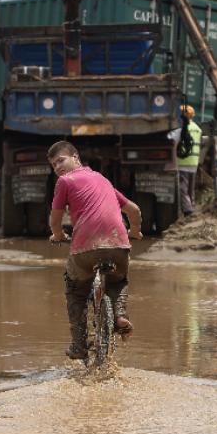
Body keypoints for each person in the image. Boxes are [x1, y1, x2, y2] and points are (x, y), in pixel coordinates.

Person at [47, 140, 143, 360]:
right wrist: (135, 231)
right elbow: (134, 210)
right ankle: (119, 316)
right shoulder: (102, 179)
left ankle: (79, 345)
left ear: (76, 158)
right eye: (54, 165)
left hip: (85, 250)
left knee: (75, 290)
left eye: (61, 160)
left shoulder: (65, 182)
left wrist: (59, 235)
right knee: (118, 281)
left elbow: (55, 219)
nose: (58, 168)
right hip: (119, 245)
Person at [177, 104, 202, 217]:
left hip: (183, 162)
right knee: (191, 188)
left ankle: (188, 210)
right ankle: (192, 205)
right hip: (194, 162)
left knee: (183, 188)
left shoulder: (182, 128)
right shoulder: (197, 128)